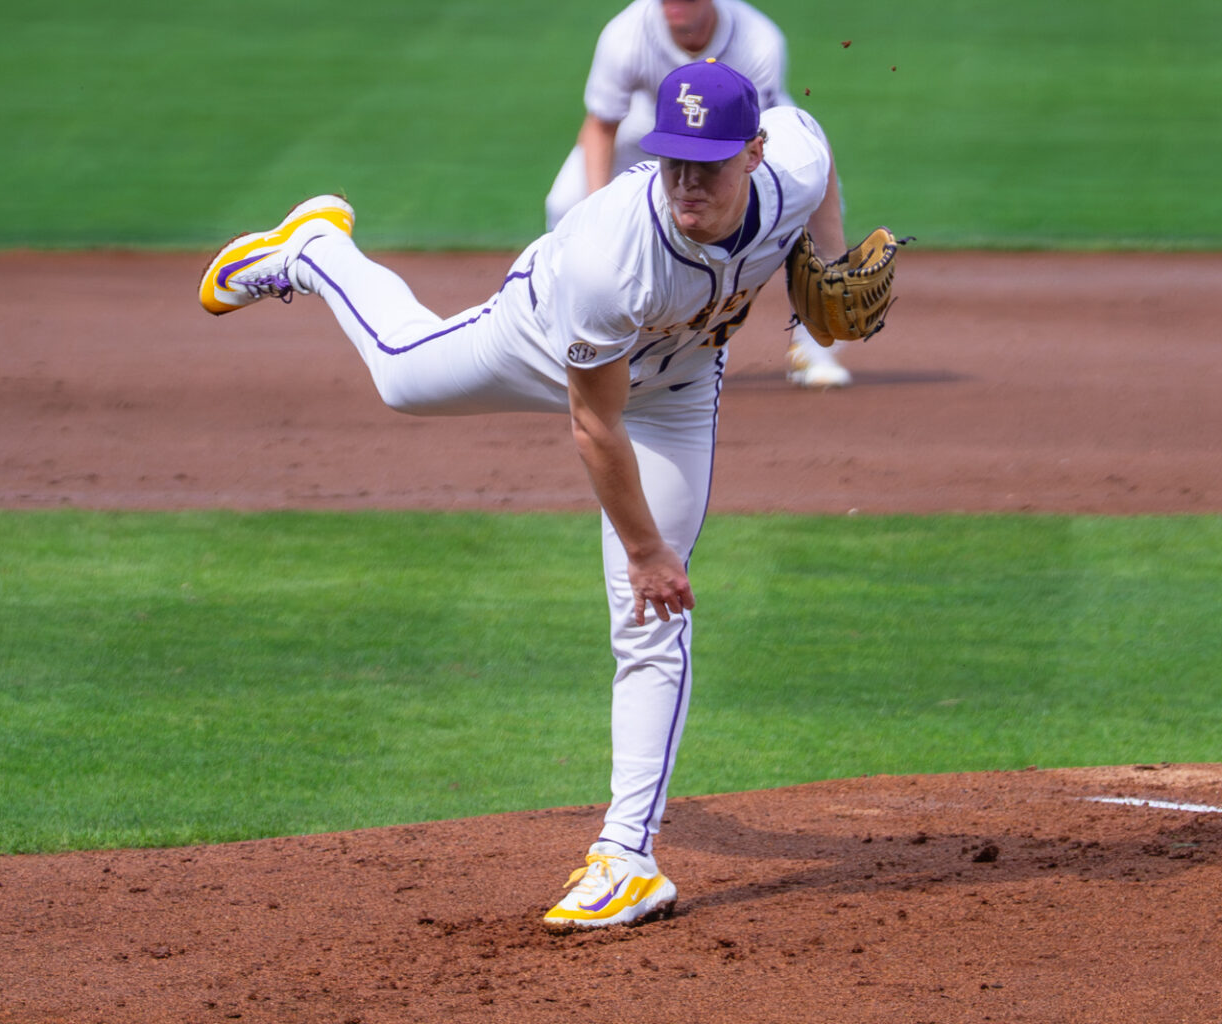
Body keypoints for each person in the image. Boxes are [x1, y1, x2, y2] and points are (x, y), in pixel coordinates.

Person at [199, 59, 858, 929]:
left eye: (711, 162)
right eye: (674, 161)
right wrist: (648, 550)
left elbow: (823, 165)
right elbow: (594, 428)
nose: (690, 182)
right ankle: (315, 249)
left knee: (651, 619)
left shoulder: (794, 163)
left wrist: (830, 274)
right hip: (548, 341)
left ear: (755, 152)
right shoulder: (608, 257)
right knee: (402, 378)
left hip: (682, 387)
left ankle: (627, 857)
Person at [546, 0, 854, 390]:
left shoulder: (757, 39)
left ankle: (814, 349)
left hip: (735, 139)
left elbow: (754, 140)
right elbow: (601, 127)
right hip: (656, 132)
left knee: (813, 194)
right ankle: (569, 331)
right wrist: (599, 208)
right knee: (564, 201)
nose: (675, 6)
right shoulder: (626, 35)